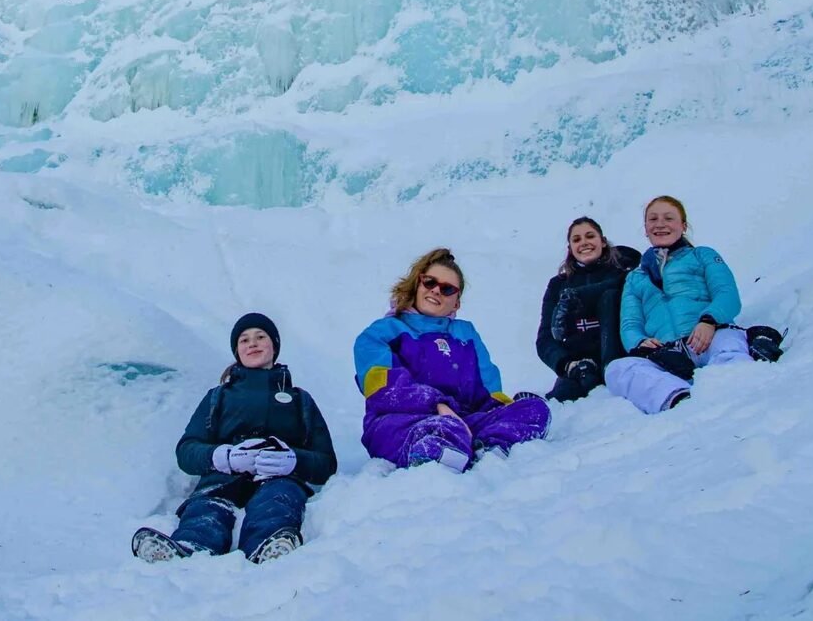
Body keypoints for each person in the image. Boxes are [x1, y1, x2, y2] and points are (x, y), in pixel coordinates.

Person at [131, 313, 337, 565]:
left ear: (274, 346)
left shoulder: (300, 400)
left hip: (278, 480)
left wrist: (293, 461)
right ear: (237, 351)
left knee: (277, 502)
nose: (253, 344)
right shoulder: (217, 397)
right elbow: (186, 451)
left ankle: (269, 547)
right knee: (207, 510)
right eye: (244, 340)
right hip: (221, 481)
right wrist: (223, 457)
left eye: (260, 337)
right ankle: (188, 550)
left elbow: (326, 462)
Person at [354, 248, 550, 472]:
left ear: (456, 303)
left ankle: (488, 452)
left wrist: (506, 410)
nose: (436, 290)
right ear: (417, 284)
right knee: (442, 431)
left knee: (534, 409)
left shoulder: (466, 335)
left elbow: (489, 391)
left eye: (447, 289)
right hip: (403, 422)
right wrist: (438, 405)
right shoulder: (381, 333)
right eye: (429, 282)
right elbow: (384, 389)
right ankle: (437, 460)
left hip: (464, 422)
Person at [606, 195, 753, 414]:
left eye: (668, 218)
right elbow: (630, 323)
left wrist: (709, 321)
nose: (660, 224)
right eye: (653, 219)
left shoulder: (702, 255)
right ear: (645, 229)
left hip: (710, 337)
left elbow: (727, 294)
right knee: (617, 369)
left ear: (683, 226)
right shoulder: (636, 277)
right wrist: (641, 342)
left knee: (729, 343)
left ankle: (731, 387)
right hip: (667, 353)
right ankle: (676, 398)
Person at [536, 217, 641, 402]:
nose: (584, 242)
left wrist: (578, 296)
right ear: (570, 249)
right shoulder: (558, 285)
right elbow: (545, 338)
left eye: (590, 236)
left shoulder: (623, 274)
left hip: (617, 359)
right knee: (561, 401)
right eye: (576, 239)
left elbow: (620, 290)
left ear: (603, 241)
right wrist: (568, 365)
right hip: (580, 366)